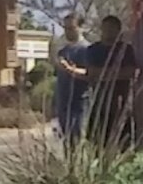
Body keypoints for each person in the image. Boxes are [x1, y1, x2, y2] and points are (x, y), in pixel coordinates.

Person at [62, 15, 137, 147]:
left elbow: (129, 73)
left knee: (122, 142)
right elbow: (92, 73)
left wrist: (103, 73)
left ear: (118, 30)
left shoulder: (126, 49)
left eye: (112, 29)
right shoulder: (93, 50)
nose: (108, 32)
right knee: (99, 143)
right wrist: (115, 72)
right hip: (99, 103)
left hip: (121, 102)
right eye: (106, 28)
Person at [54, 13, 88, 143]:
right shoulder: (63, 51)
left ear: (80, 28)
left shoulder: (86, 49)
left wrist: (70, 69)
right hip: (63, 104)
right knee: (67, 142)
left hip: (79, 104)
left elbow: (90, 74)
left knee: (78, 140)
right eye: (65, 28)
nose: (67, 32)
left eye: (71, 28)